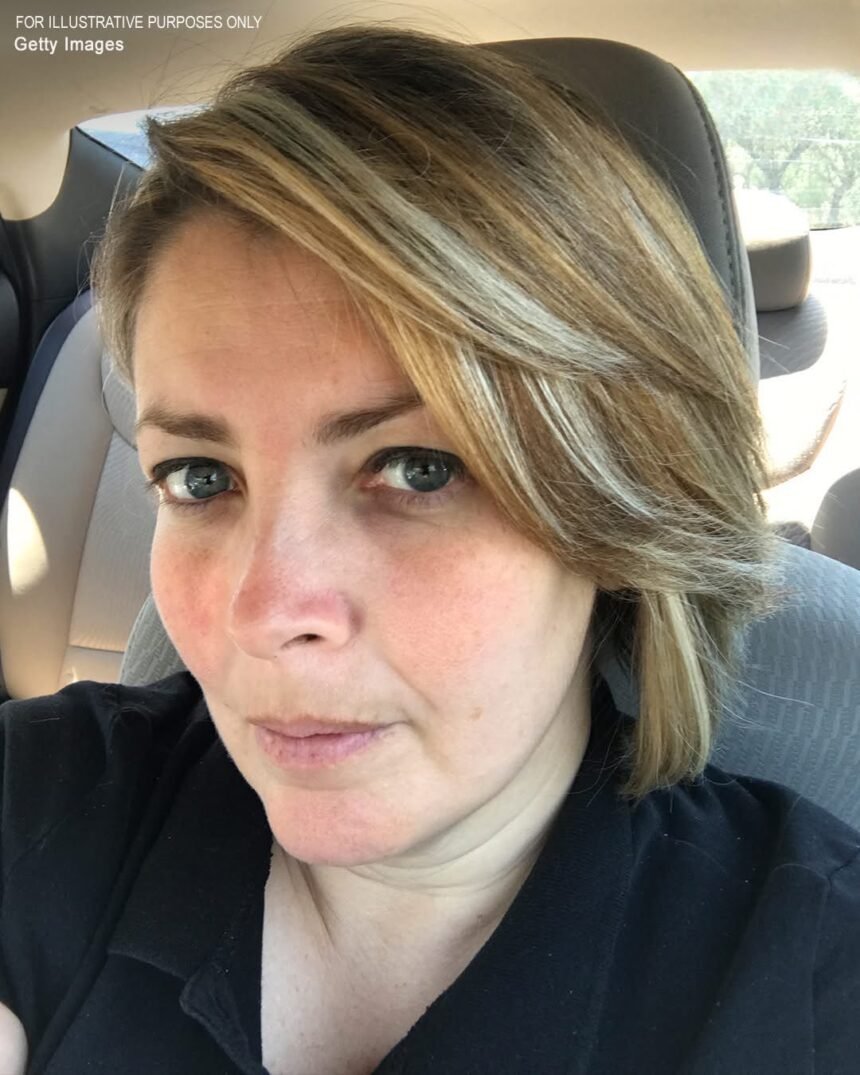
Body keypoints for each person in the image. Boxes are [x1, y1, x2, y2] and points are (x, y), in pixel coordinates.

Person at [1, 23, 858, 1075]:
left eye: (417, 468)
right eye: (200, 478)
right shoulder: (38, 799)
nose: (265, 610)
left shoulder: (815, 974)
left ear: (618, 509)